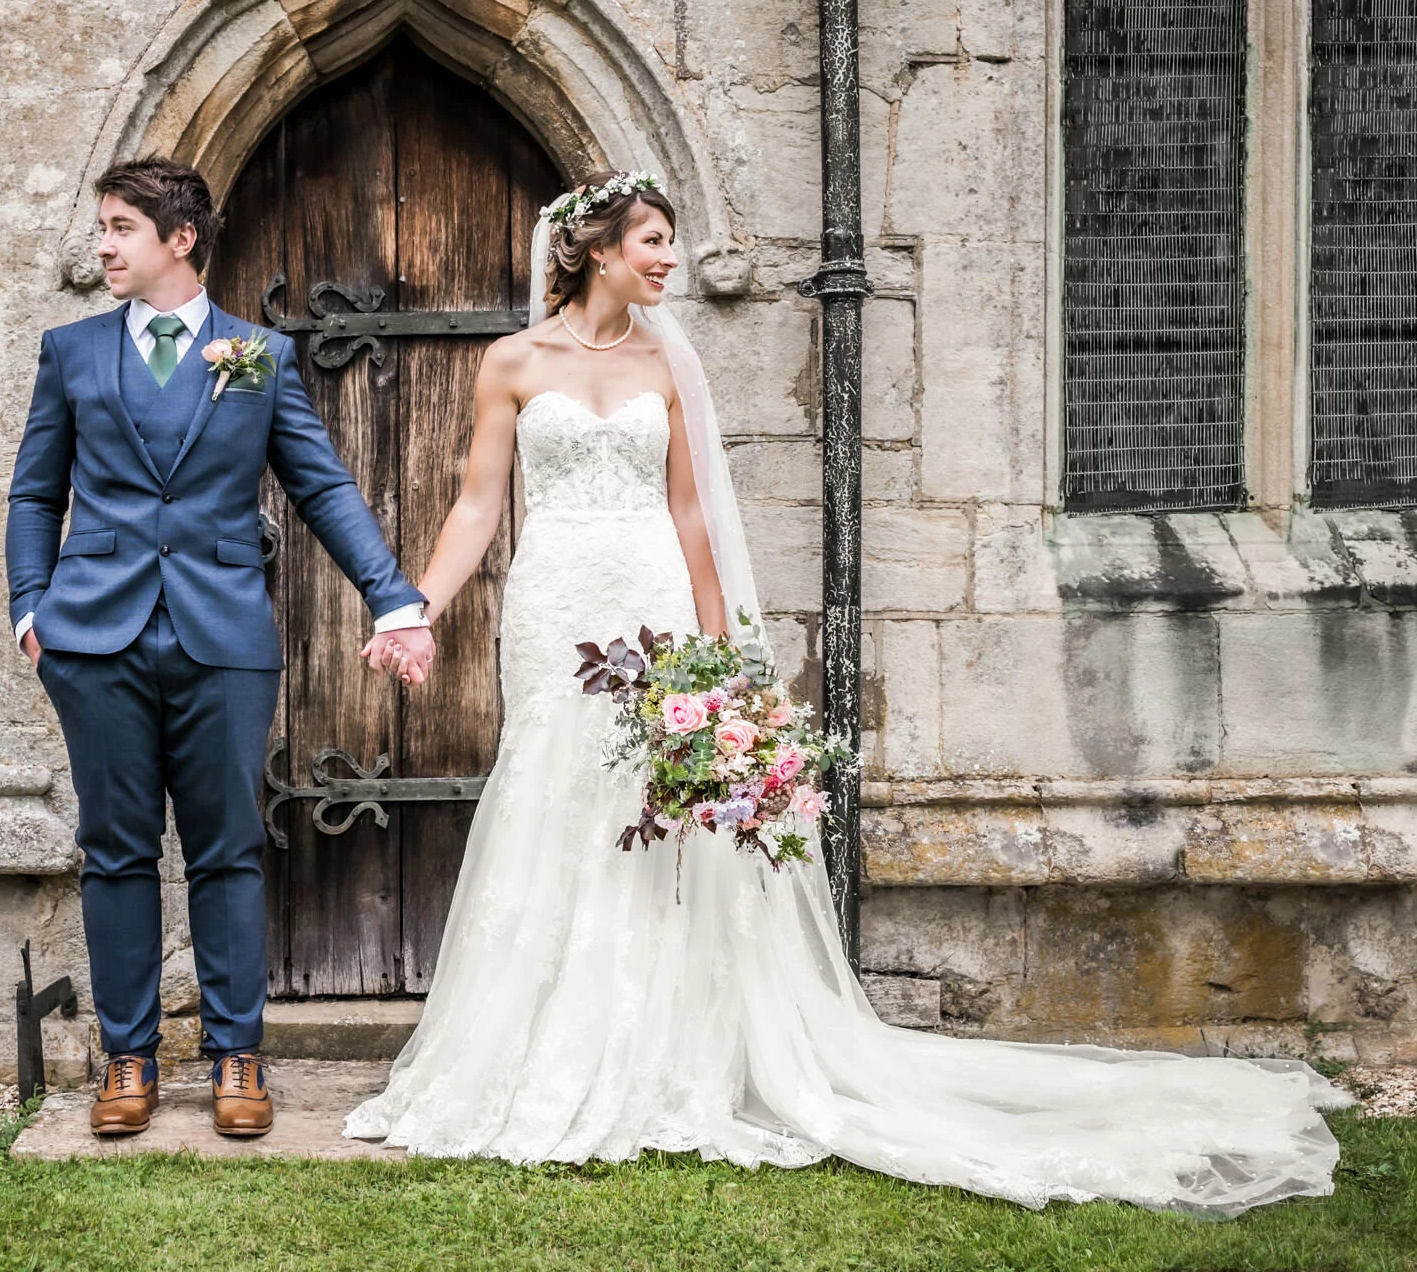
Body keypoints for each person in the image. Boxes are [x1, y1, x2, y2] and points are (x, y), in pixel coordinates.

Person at [347, 170, 1351, 1215]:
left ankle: (658, 1049)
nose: (667, 260)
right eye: (652, 240)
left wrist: (724, 658)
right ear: (597, 248)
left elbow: (689, 519)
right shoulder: (512, 361)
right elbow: (475, 506)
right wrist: (412, 608)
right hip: (555, 613)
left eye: (670, 242)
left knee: (660, 822)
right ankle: (537, 1051)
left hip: (651, 606)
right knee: (551, 801)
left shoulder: (665, 364)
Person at [6, 156, 436, 1139]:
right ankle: (128, 1060)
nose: (103, 245)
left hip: (224, 639)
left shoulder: (258, 357)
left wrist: (393, 601)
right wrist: (30, 610)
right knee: (114, 853)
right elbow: (35, 493)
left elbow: (321, 487)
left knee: (228, 851)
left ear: (179, 240)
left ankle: (236, 1058)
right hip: (93, 637)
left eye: (120, 227)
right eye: (102, 227)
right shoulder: (70, 353)